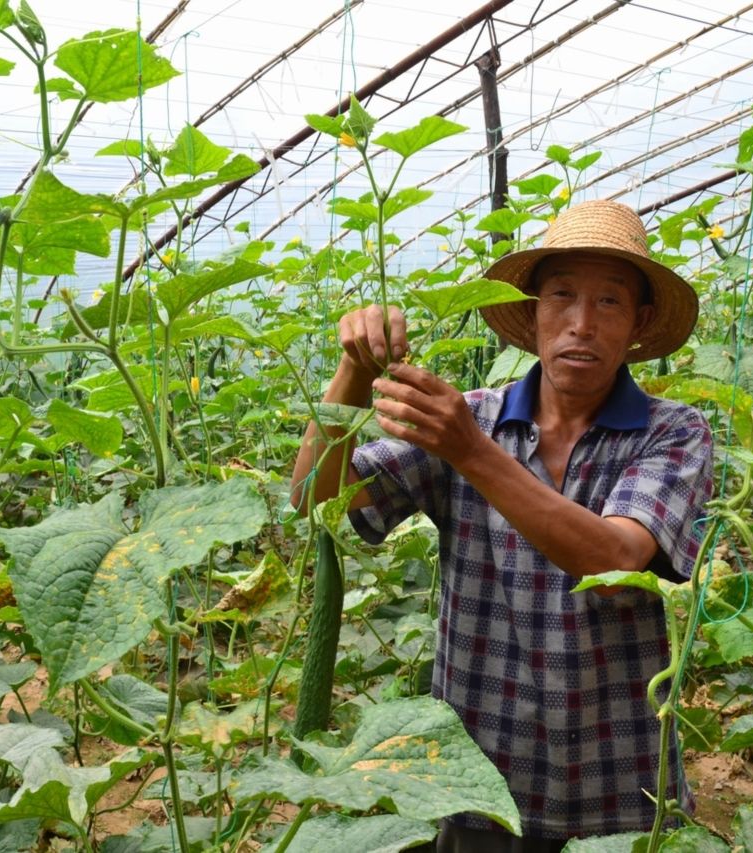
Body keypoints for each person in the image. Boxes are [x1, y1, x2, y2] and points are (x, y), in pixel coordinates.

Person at [290, 200, 714, 850]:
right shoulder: (466, 417)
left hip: (620, 795)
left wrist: (470, 451)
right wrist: (352, 371)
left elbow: (614, 562)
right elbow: (317, 497)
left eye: (609, 302)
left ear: (639, 321)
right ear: (534, 310)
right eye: (563, 296)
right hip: (475, 788)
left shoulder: (673, 432)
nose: (581, 323)